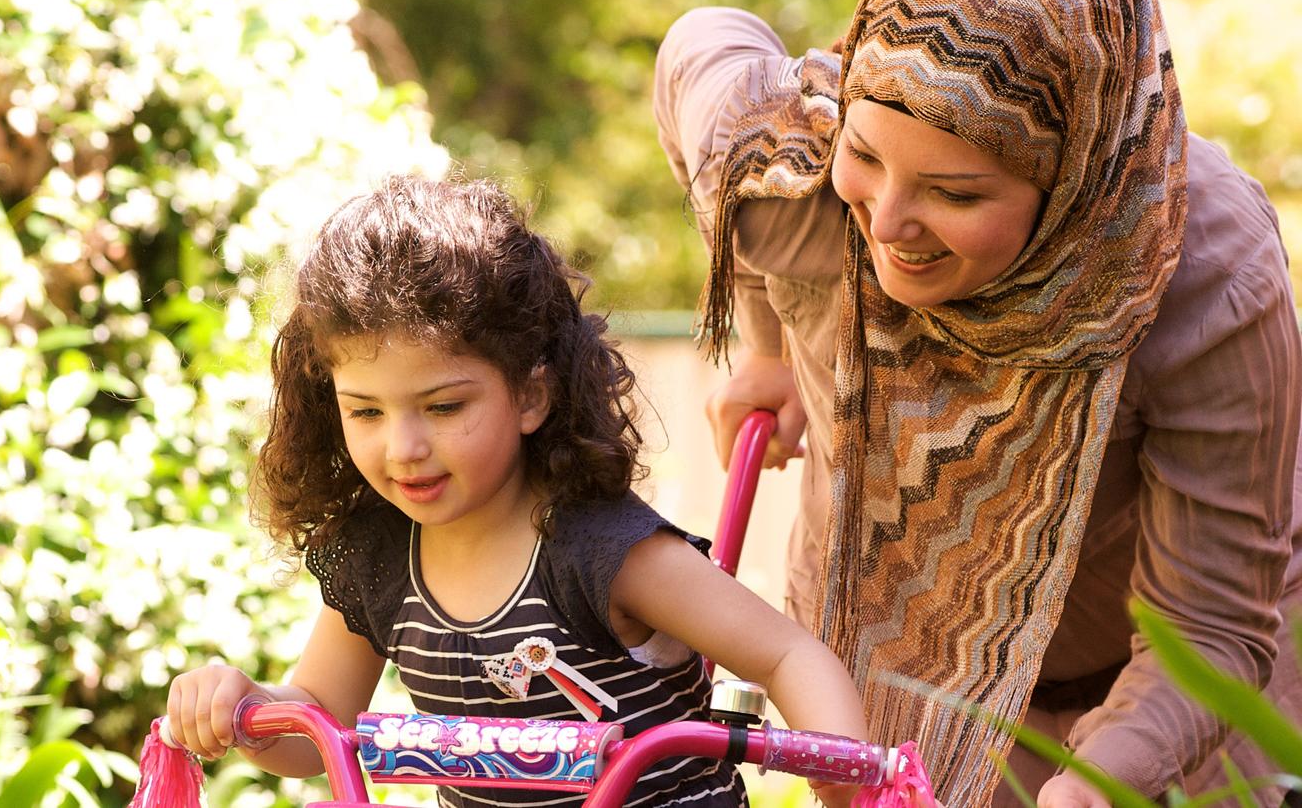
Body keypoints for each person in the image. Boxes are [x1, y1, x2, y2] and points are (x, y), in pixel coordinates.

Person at [652, 0, 1302, 806]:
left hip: (1158, 701)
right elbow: (699, 40)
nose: (884, 224)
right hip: (881, 667)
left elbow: (1211, 625)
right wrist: (764, 344)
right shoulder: (796, 178)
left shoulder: (1202, 271)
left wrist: (1085, 790)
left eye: (954, 192)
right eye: (866, 157)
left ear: (1070, 178)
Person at [164, 176, 871, 808]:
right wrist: (246, 707)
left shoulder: (601, 549)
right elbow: (318, 714)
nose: (403, 448)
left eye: (443, 408)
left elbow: (787, 654)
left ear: (530, 395)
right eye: (366, 411)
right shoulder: (378, 554)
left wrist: (848, 783)